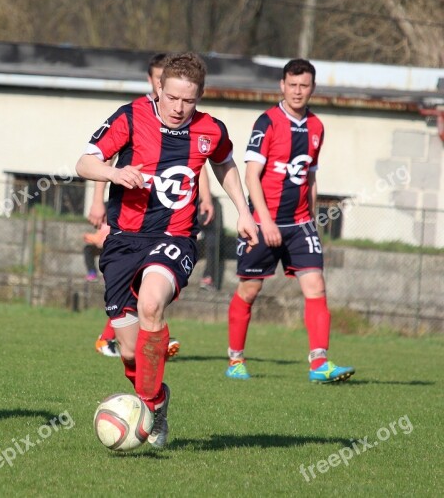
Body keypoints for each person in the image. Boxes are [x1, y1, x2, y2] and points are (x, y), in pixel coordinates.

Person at [76, 52, 258, 448]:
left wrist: (244, 211)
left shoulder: (210, 129)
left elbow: (224, 163)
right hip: (123, 241)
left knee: (152, 305)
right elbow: (84, 162)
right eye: (172, 98)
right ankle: (157, 400)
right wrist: (113, 172)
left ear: (200, 96)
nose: (178, 108)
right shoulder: (129, 117)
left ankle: (144, 408)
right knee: (128, 352)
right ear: (159, 88)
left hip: (175, 238)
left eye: (188, 101)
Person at [225, 58, 354, 384]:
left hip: (299, 225)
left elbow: (309, 178)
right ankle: (235, 360)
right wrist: (264, 222)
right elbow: (252, 175)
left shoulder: (316, 128)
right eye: (292, 85)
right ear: (282, 85)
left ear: (312, 88)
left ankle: (319, 364)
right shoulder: (267, 122)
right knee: (250, 289)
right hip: (262, 222)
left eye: (304, 85)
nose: (298, 91)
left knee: (316, 286)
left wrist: (314, 222)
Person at [89, 53, 181, 360]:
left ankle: (151, 336)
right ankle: (116, 339)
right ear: (152, 81)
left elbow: (197, 165)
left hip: (168, 230)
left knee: (150, 295)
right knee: (126, 290)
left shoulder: (186, 120)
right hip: (127, 225)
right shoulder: (132, 115)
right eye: (157, 79)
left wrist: (205, 196)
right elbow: (104, 160)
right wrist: (98, 199)